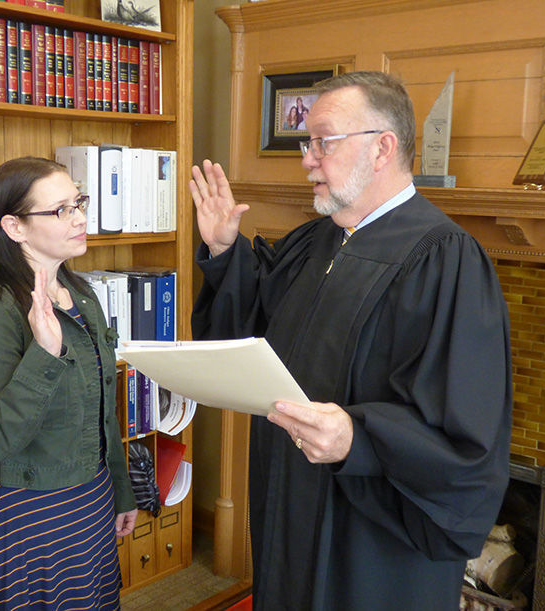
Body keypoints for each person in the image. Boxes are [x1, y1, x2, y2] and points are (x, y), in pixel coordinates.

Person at [189, 71, 512, 610]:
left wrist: (357, 441)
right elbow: (254, 336)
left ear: (383, 147)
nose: (307, 159)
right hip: (290, 493)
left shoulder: (445, 260)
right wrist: (225, 253)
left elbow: (466, 433)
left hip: (372, 541)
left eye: (323, 142)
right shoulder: (316, 241)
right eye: (306, 143)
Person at [0, 156, 137, 610]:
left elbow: (101, 412)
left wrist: (119, 486)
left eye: (79, 203)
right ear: (14, 227)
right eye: (61, 210)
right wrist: (45, 352)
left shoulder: (83, 295)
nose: (80, 219)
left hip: (90, 501)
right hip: (26, 516)